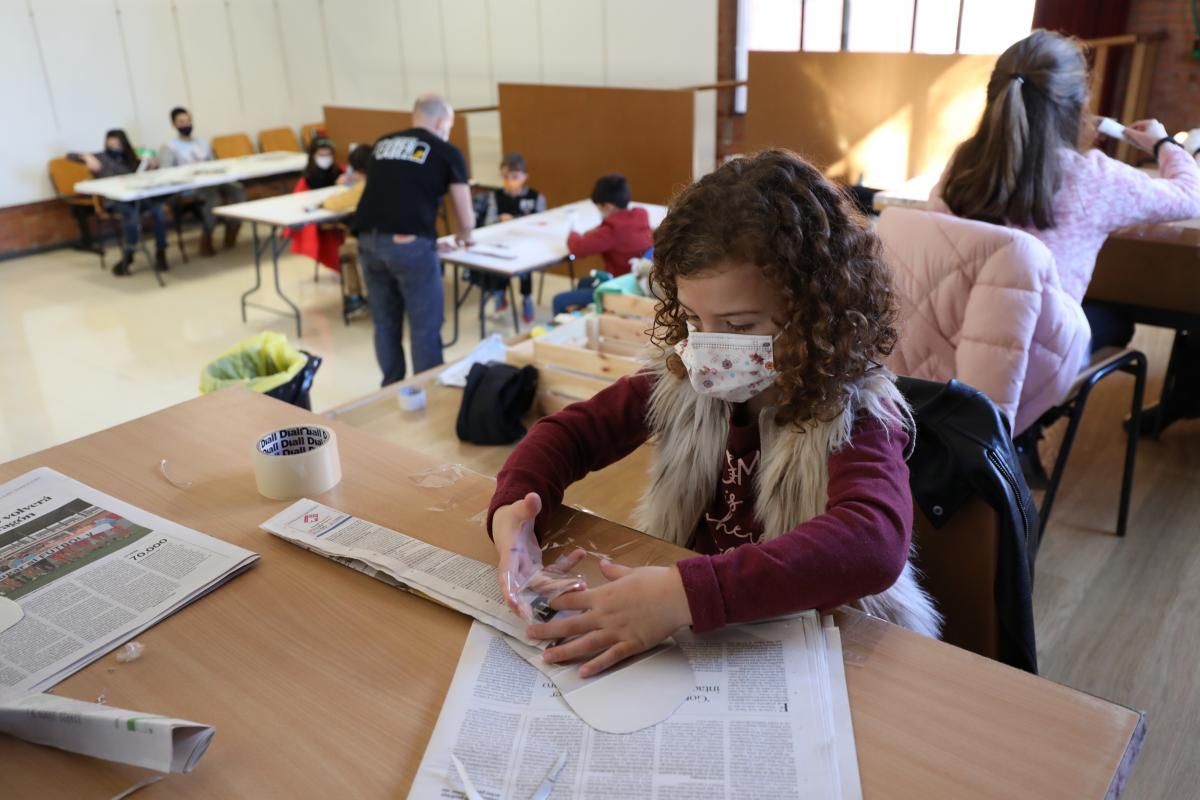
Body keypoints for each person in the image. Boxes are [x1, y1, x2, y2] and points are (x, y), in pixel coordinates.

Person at [487, 150, 940, 678]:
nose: (707, 345)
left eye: (740, 325)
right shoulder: (683, 379)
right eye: (692, 318)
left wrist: (686, 594)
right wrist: (512, 516)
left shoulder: (852, 412)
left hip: (818, 644)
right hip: (713, 628)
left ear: (818, 314)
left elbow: (873, 542)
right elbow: (569, 434)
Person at [931, 29, 1200, 440]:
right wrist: (1163, 143)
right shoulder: (1093, 177)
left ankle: (1022, 440)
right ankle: (1026, 434)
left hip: (950, 346)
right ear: (1078, 106)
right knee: (1114, 316)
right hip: (1030, 365)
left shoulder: (962, 163)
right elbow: (1190, 196)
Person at [354, 94, 475, 385]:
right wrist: (463, 237)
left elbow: (392, 193)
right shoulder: (447, 151)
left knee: (385, 322)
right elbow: (467, 218)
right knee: (424, 326)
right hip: (408, 245)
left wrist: (430, 241)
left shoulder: (382, 144)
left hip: (367, 240)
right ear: (441, 121)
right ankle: (426, 392)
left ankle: (391, 387)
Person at [74, 129, 169, 276]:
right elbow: (70, 156)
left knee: (158, 212)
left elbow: (148, 174)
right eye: (110, 144)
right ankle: (128, 256)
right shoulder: (101, 157)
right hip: (115, 200)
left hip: (137, 197)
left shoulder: (132, 157)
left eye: (117, 145)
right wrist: (86, 157)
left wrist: (151, 165)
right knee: (133, 218)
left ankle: (161, 252)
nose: (114, 148)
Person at [159, 106, 246, 256]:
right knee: (212, 197)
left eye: (188, 121)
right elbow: (166, 172)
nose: (186, 125)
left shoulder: (201, 142)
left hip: (211, 179)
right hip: (190, 186)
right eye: (181, 122)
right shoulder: (170, 147)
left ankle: (232, 231)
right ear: (174, 125)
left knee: (238, 191)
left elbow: (213, 163)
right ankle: (207, 237)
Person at [482, 153, 547, 323]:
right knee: (499, 266)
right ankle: (499, 295)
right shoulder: (496, 196)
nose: (509, 181)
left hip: (527, 244)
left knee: (525, 269)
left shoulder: (535, 197)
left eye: (514, 177)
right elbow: (489, 221)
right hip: (501, 243)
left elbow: (542, 223)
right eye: (504, 177)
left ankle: (526, 299)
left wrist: (517, 222)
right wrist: (498, 220)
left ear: (524, 177)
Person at [566, 174, 653, 277]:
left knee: (561, 294)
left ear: (608, 206)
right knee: (583, 283)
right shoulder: (641, 215)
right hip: (638, 278)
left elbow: (577, 248)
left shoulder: (612, 231)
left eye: (599, 207)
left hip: (620, 285)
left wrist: (573, 231)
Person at [322, 144, 373, 317]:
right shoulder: (387, 178)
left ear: (356, 169)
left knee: (347, 250)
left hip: (375, 240)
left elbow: (333, 204)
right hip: (399, 236)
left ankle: (354, 298)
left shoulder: (363, 186)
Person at [288, 136, 345, 275]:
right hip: (321, 218)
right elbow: (299, 202)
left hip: (340, 211)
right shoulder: (307, 179)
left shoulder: (341, 172)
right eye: (321, 155)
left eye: (328, 154)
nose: (325, 158)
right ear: (313, 156)